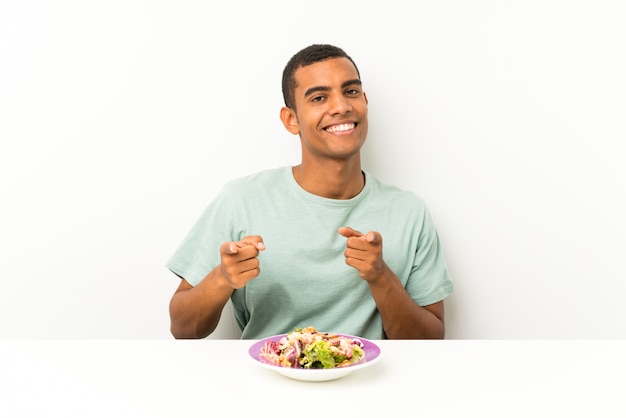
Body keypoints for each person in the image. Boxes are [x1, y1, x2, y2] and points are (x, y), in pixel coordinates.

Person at [167, 44, 453, 340]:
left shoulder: (409, 212)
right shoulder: (241, 200)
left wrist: (380, 276)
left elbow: (431, 341)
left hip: (370, 382)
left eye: (351, 91)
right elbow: (183, 328)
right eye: (319, 97)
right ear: (291, 119)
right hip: (265, 382)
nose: (341, 106)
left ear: (365, 101)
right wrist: (223, 278)